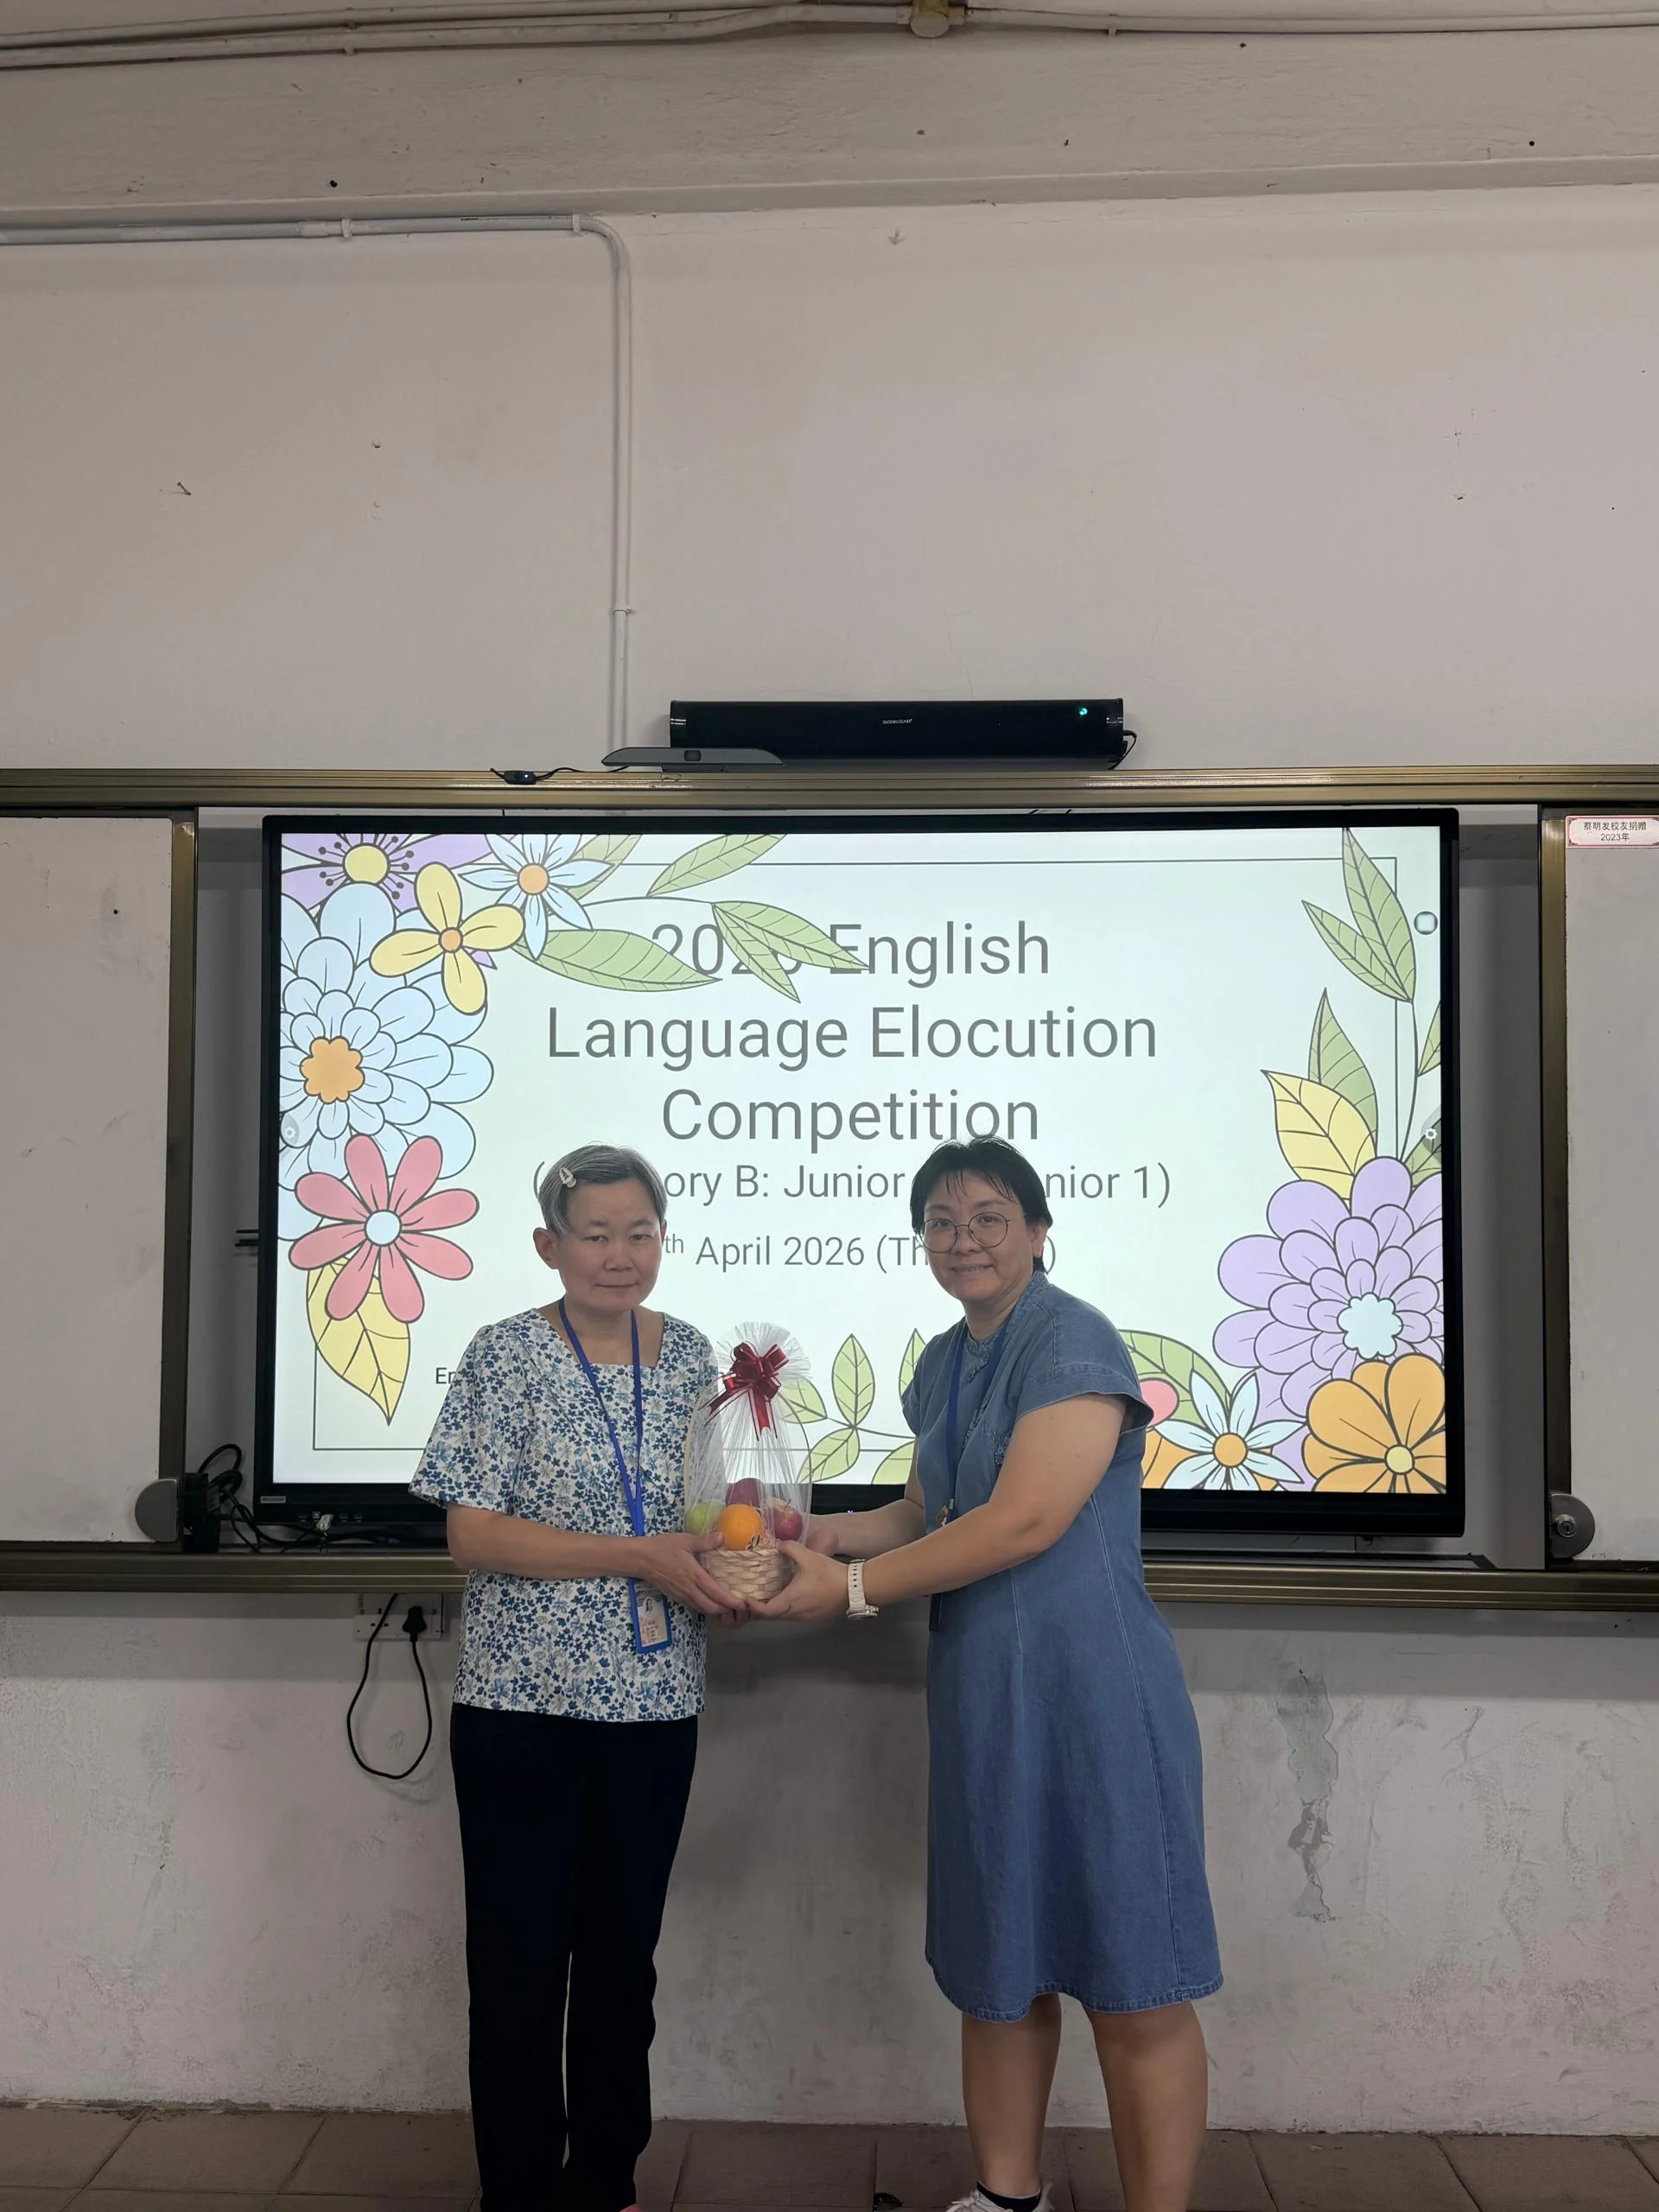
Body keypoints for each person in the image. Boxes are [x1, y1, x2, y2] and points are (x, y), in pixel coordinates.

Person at [759, 1136, 1220, 2212]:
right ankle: (1008, 2198)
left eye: (989, 1217)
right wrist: (821, 1532)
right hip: (985, 1698)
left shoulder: (1073, 1339)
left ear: (1039, 1230)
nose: (963, 1239)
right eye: (941, 1221)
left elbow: (1023, 1520)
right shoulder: (942, 1359)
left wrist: (853, 1590)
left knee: (1136, 1983)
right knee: (999, 1974)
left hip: (1095, 1700)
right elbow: (931, 1511)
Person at [411, 1143, 737, 2212]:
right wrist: (636, 1555)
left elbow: (703, 1512)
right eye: (596, 1234)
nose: (620, 1253)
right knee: (516, 1969)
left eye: (640, 1232)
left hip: (655, 1703)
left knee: (622, 1964)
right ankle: (516, 2189)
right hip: (521, 1707)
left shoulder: (690, 1356)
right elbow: (471, 1533)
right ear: (549, 1244)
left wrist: (735, 1563)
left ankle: (605, 2180)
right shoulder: (504, 1353)